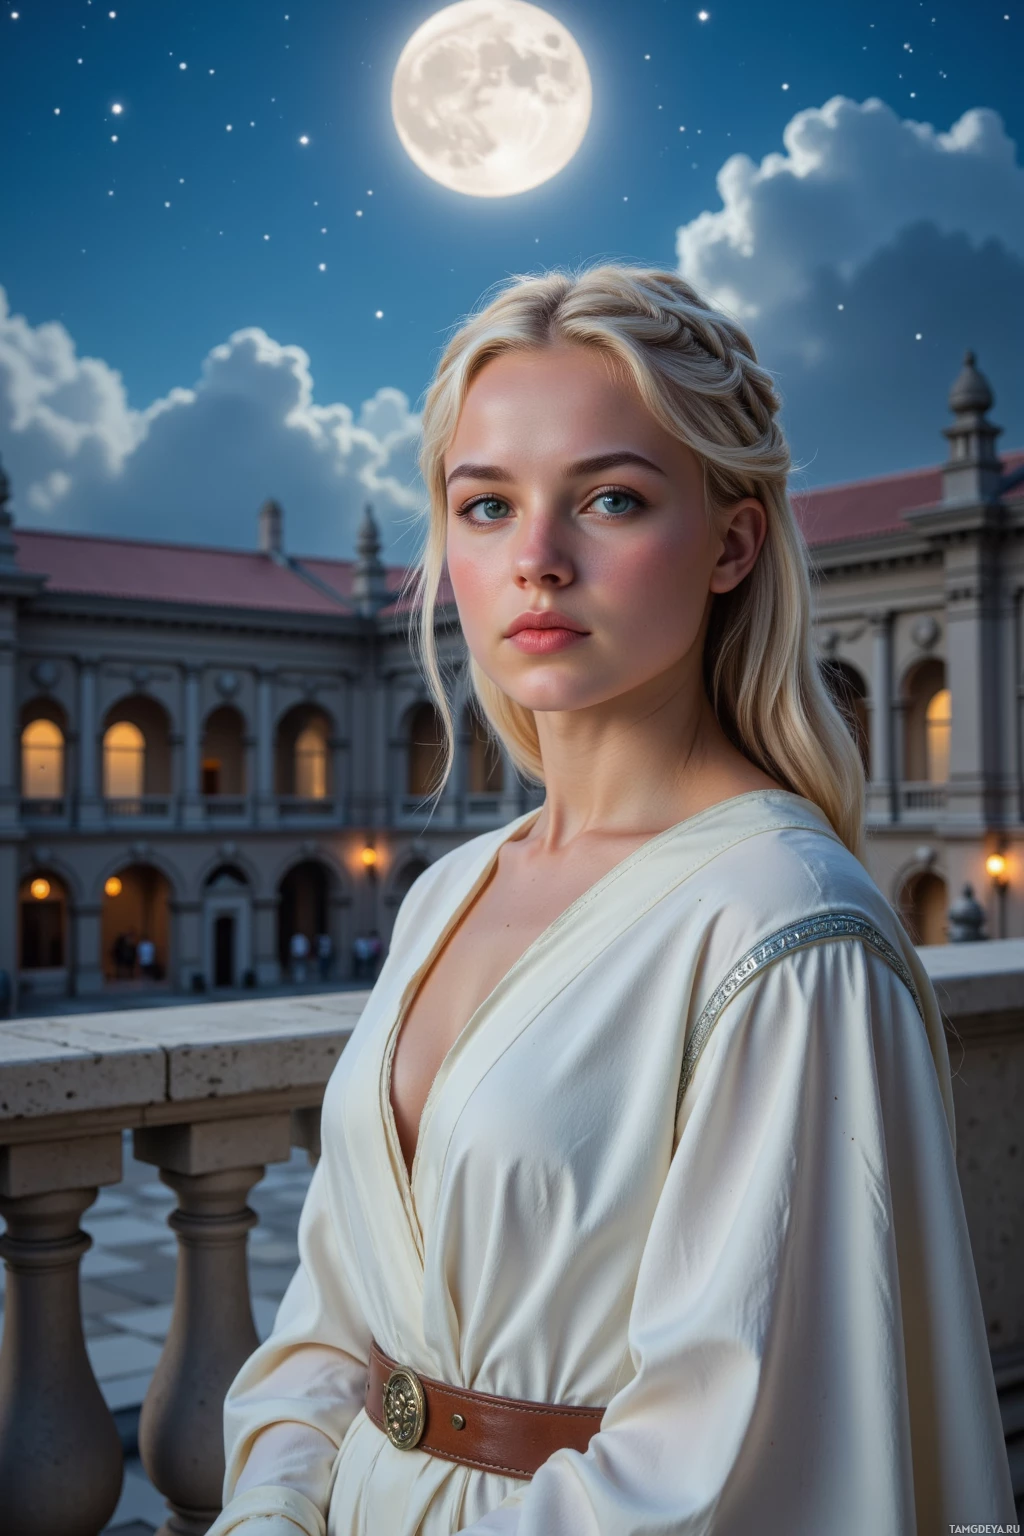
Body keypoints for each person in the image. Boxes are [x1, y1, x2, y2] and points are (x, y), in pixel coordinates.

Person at [206, 265, 1015, 1536]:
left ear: (732, 544)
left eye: (611, 499)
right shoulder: (449, 894)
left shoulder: (786, 933)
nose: (536, 560)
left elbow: (726, 1471)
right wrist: (269, 1510)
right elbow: (333, 1325)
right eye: (485, 506)